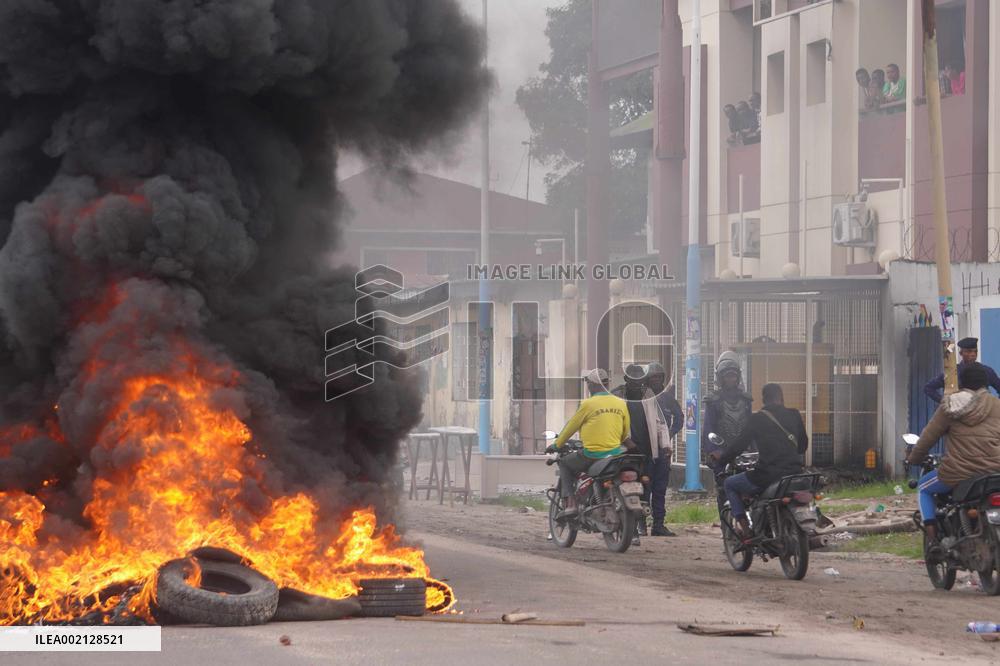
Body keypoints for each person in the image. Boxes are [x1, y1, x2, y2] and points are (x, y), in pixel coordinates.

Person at [906, 363, 1000, 550]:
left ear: (961, 383)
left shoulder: (951, 405)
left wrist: (914, 458)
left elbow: (928, 436)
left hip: (959, 472)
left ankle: (932, 541)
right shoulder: (996, 405)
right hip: (994, 471)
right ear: (985, 383)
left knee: (924, 488)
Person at [710, 383, 808, 539]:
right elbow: (803, 446)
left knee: (730, 484)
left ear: (763, 400)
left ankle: (746, 533)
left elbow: (739, 446)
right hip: (794, 473)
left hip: (767, 475)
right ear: (781, 398)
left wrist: (721, 460)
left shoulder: (757, 419)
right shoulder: (794, 414)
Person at [549, 368, 633, 518]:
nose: (588, 387)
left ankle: (571, 504)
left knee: (565, 463)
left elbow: (570, 428)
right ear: (607, 385)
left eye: (588, 384)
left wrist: (557, 445)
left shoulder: (588, 404)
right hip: (614, 454)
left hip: (592, 454)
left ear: (593, 386)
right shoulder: (620, 403)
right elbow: (624, 432)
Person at [612, 364, 668, 541]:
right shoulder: (616, 396)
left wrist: (665, 444)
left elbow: (660, 422)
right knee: (624, 489)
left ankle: (640, 524)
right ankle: (629, 528)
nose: (637, 384)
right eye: (633, 381)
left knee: (644, 490)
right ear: (626, 380)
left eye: (640, 381)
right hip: (623, 451)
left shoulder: (649, 396)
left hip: (646, 451)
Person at [646, 362, 685, 537]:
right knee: (644, 487)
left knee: (660, 488)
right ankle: (640, 523)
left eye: (659, 377)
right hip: (645, 449)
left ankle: (658, 524)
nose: (656, 380)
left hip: (663, 451)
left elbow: (679, 417)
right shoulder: (640, 396)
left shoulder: (668, 397)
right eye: (653, 377)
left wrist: (669, 434)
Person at [924, 337, 1000, 403]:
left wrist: (994, 405)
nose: (973, 354)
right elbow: (929, 388)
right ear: (961, 353)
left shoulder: (986, 371)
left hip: (981, 415)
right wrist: (945, 402)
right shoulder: (952, 372)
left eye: (975, 351)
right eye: (969, 351)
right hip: (959, 416)